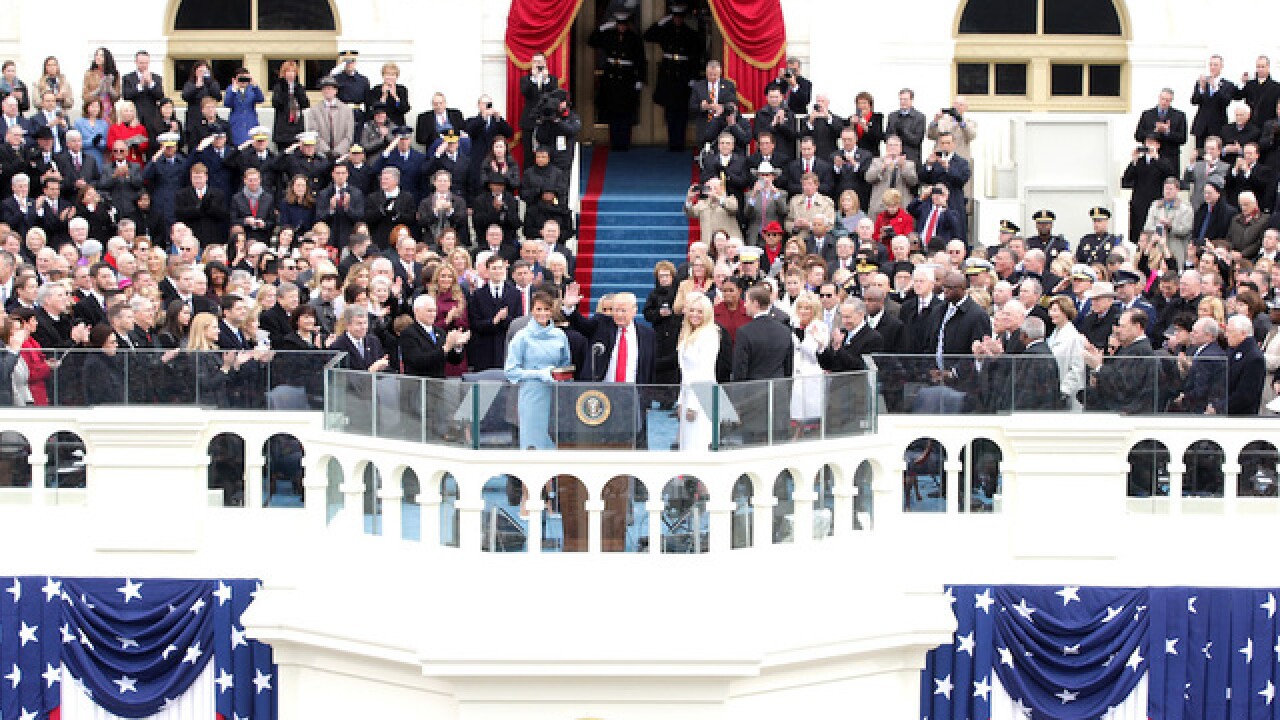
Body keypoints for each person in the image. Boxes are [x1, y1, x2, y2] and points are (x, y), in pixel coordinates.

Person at [505, 291, 570, 450]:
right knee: (532, 442)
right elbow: (511, 371)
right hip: (532, 395)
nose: (543, 313)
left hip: (555, 395)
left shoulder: (560, 335)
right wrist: (539, 374)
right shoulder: (522, 336)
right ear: (532, 311)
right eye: (539, 309)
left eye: (546, 309)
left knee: (554, 442)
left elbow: (566, 363)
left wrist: (560, 376)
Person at [732, 284, 793, 444]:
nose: (744, 305)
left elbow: (740, 372)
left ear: (756, 303)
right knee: (778, 446)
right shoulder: (785, 331)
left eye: (746, 301)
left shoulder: (744, 332)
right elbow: (788, 370)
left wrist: (738, 403)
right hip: (779, 396)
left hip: (753, 399)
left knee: (753, 447)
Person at [644, 5, 702, 152]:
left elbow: (696, 57)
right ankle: (672, 142)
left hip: (683, 75)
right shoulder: (666, 30)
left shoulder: (690, 34)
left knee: (682, 110)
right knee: (670, 111)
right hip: (668, 74)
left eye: (679, 17)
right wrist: (662, 22)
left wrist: (693, 77)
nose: (677, 20)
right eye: (675, 17)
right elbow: (648, 35)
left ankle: (679, 142)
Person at [676, 293, 720, 451]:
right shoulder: (688, 333)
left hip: (702, 396)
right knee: (686, 441)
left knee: (698, 441)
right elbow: (685, 372)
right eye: (692, 310)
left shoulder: (709, 334)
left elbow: (705, 370)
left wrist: (693, 404)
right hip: (688, 393)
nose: (695, 314)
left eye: (700, 311)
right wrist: (681, 400)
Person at [789, 292, 828, 438]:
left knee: (811, 415)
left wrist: (803, 338)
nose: (803, 311)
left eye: (807, 308)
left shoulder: (819, 327)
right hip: (796, 374)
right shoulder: (793, 325)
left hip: (812, 375)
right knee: (797, 414)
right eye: (801, 308)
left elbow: (815, 354)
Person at [644, 261, 681, 393]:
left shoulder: (679, 293)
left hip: (675, 333)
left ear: (672, 276)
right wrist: (658, 313)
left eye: (667, 275)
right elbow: (647, 314)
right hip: (659, 334)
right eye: (661, 276)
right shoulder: (653, 294)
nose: (664, 279)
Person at [1223, 313, 1266, 415]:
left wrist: (1221, 407)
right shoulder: (1233, 351)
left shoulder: (1254, 358)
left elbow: (1245, 396)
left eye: (1229, 331)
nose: (1226, 335)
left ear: (1243, 333)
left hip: (1241, 418)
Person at [1134, 88, 1188, 165]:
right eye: (1163, 99)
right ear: (1159, 98)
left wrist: (1167, 132)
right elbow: (1138, 136)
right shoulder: (1147, 114)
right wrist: (1155, 131)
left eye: (1167, 100)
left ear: (1171, 101)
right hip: (1150, 156)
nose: (1164, 102)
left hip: (1170, 157)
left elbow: (1182, 138)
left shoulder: (1179, 116)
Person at [271, 61, 310, 151]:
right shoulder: (279, 87)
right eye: (288, 71)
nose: (290, 74)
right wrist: (286, 91)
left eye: (293, 72)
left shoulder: (299, 87)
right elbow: (276, 103)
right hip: (283, 129)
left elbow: (305, 104)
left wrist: (297, 92)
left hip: (296, 127)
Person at [82, 322, 125, 404]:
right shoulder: (95, 364)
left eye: (116, 342)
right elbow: (101, 393)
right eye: (112, 342)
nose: (116, 345)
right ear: (101, 344)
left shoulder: (110, 361)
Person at [82, 47, 120, 123]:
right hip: (93, 111)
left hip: (109, 112)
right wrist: (98, 90)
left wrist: (109, 88)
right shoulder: (89, 73)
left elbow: (117, 97)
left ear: (107, 58)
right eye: (96, 55)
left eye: (101, 55)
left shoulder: (114, 73)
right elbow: (85, 96)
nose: (98, 57)